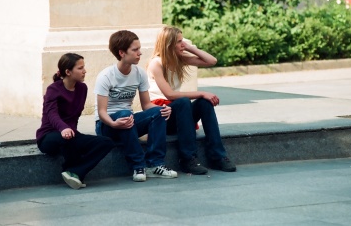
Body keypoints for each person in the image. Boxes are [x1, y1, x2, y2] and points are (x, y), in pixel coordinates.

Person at [147, 26, 237, 175]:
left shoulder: (179, 59)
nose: (183, 44)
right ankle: (188, 159)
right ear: (168, 44)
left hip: (180, 113)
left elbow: (211, 61)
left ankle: (217, 156)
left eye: (183, 41)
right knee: (184, 101)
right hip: (163, 115)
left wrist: (188, 47)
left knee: (204, 103)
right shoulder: (156, 63)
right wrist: (201, 92)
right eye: (179, 42)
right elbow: (169, 95)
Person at [94, 30, 177, 182]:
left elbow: (146, 105)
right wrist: (114, 123)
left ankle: (155, 164)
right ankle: (138, 165)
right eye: (135, 50)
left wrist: (163, 109)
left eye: (139, 48)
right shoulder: (106, 76)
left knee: (158, 112)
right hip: (106, 126)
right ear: (122, 53)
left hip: (127, 122)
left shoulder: (139, 73)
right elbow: (101, 112)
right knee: (125, 113)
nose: (140, 53)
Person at [36, 53, 116, 190]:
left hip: (70, 134)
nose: (84, 71)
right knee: (66, 139)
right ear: (68, 72)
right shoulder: (53, 89)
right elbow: (52, 114)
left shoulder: (82, 88)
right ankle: (71, 170)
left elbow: (75, 116)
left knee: (106, 142)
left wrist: (71, 131)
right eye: (80, 68)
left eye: (83, 67)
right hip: (49, 136)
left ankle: (76, 171)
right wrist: (63, 129)